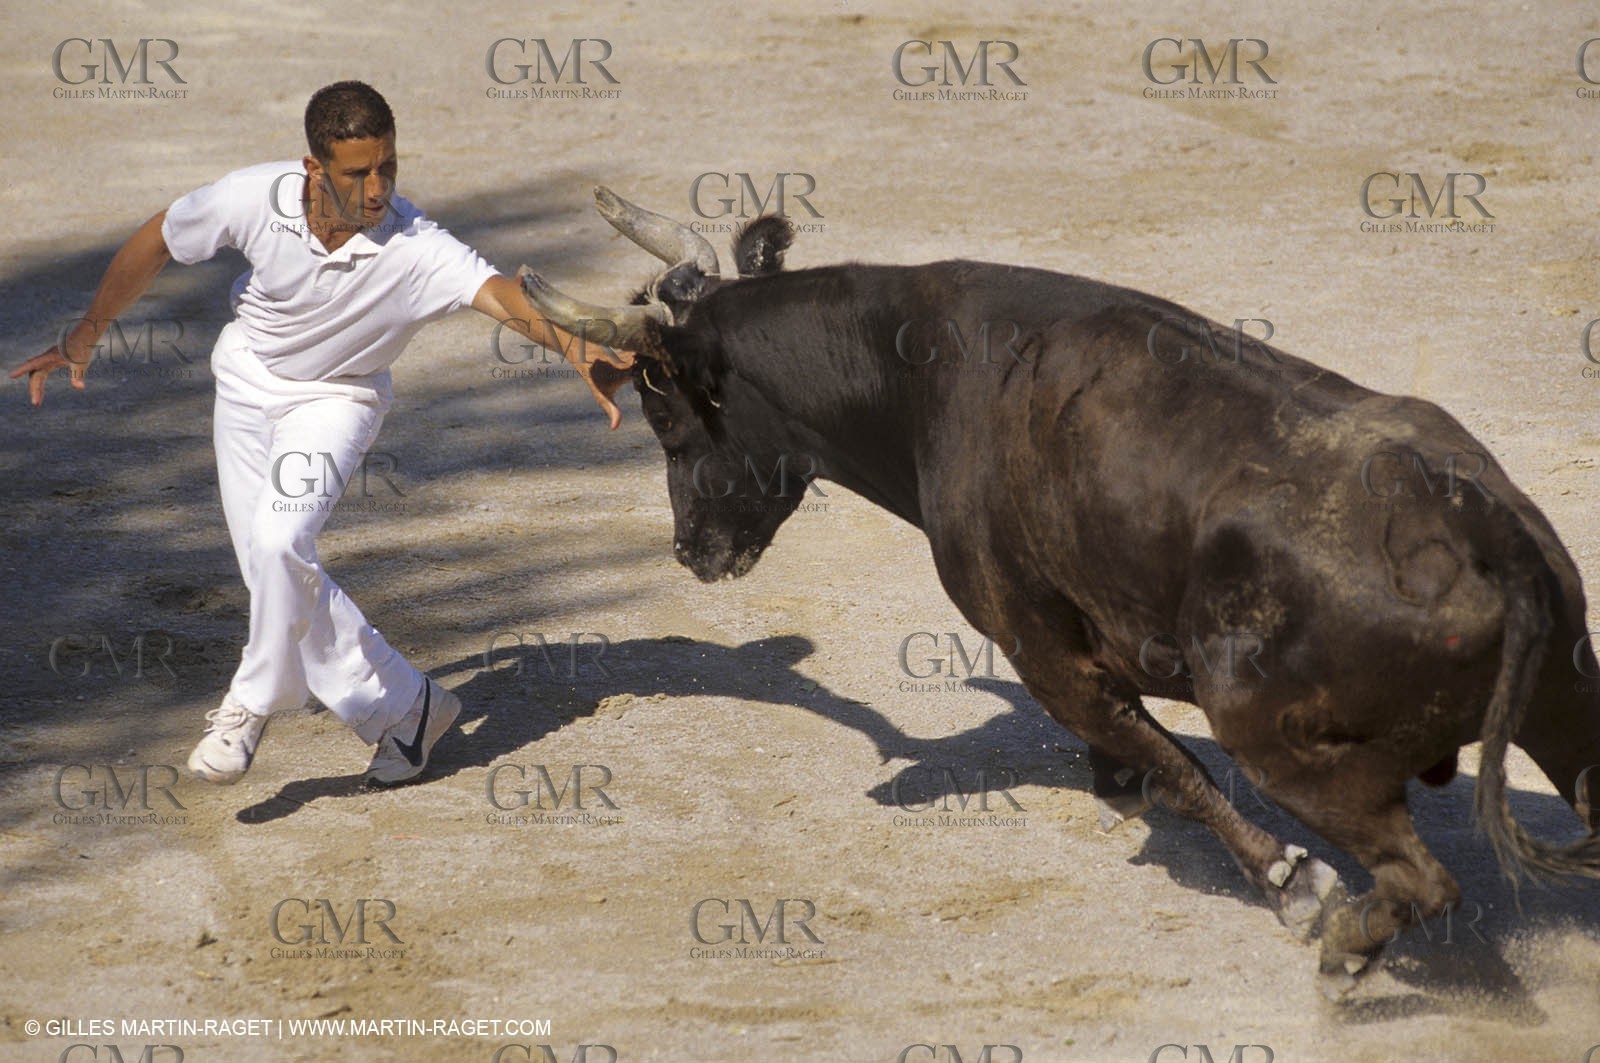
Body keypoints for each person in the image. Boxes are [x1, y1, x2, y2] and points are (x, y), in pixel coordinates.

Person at [11, 80, 633, 788]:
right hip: (246, 385)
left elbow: (500, 295)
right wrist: (88, 333)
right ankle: (408, 707)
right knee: (274, 572)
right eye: (358, 172)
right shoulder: (255, 197)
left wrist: (579, 349)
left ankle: (252, 701)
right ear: (313, 169)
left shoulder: (416, 246)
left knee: (280, 543)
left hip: (336, 401)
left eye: (389, 167)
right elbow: (160, 235)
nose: (378, 189)